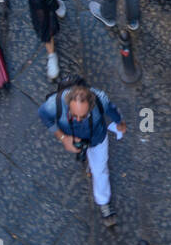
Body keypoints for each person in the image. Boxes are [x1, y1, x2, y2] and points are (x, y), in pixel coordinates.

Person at [38, 80, 124, 228]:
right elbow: (43, 115)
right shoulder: (53, 105)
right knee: (89, 160)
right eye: (74, 115)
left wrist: (120, 123)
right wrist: (63, 138)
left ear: (91, 106)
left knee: (100, 170)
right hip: (73, 138)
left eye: (83, 116)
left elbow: (112, 111)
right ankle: (86, 158)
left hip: (97, 139)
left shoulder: (101, 100)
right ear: (68, 103)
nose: (78, 120)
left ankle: (103, 202)